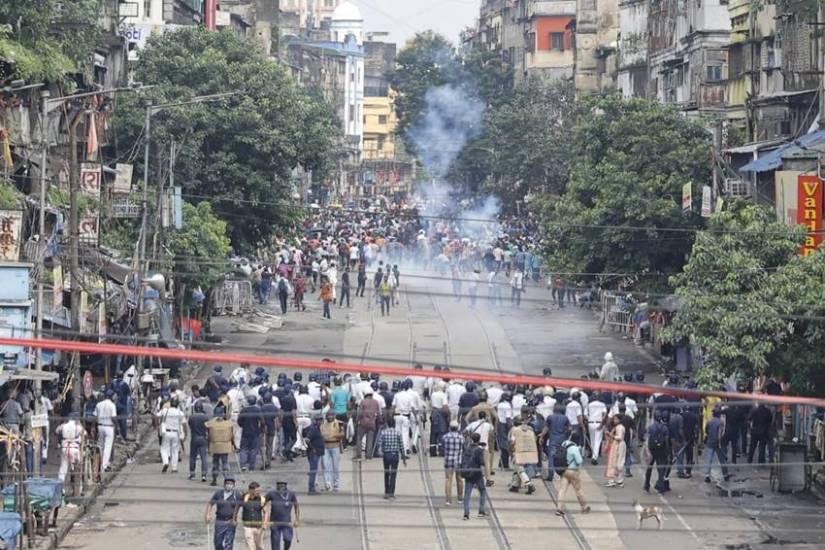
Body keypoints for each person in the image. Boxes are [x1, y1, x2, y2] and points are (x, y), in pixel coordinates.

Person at [554, 436, 590, 516]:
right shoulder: (575, 448)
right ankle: (584, 507)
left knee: (562, 490)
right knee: (578, 489)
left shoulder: (564, 443)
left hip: (564, 470)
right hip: (573, 471)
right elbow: (579, 460)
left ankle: (559, 509)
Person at [205, 476, 241, 550]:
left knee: (228, 544)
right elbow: (210, 504)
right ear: (224, 484)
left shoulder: (237, 495)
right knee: (218, 543)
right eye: (227, 483)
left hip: (231, 521)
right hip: (219, 521)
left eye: (231, 483)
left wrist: (237, 518)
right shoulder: (218, 493)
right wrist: (208, 514)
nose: (229, 485)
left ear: (234, 485)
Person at [264, 481, 300, 550]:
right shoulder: (272, 493)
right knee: (275, 542)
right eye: (279, 484)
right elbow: (262, 502)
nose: (281, 486)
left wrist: (297, 519)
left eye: (282, 484)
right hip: (274, 522)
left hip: (287, 522)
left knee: (288, 539)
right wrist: (265, 514)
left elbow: (296, 506)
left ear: (286, 485)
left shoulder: (291, 494)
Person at [377, 417, 406, 499]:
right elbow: (401, 446)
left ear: (387, 424)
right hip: (395, 455)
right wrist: (403, 458)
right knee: (393, 474)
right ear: (394, 424)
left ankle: (386, 492)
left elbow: (379, 443)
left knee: (386, 473)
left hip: (386, 455)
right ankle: (391, 493)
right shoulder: (398, 433)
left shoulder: (383, 432)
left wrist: (381, 452)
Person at [461, 432, 488, 520]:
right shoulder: (479, 450)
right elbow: (481, 462)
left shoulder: (467, 448)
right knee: (482, 491)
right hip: (477, 473)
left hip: (468, 473)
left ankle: (466, 513)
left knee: (467, 494)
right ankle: (481, 511)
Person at [644, 411, 672, 493]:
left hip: (652, 450)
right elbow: (666, 441)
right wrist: (667, 452)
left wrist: (647, 450)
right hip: (661, 450)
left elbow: (647, 439)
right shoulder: (665, 428)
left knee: (649, 468)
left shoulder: (650, 427)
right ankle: (661, 487)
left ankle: (646, 485)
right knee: (661, 469)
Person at [508, 417, 537, 494]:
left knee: (520, 469)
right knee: (517, 468)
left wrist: (510, 451)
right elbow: (535, 439)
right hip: (529, 451)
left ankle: (529, 484)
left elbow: (512, 442)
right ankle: (515, 486)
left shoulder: (515, 430)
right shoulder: (530, 429)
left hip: (518, 451)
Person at [55, 412, 85, 483]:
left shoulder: (63, 425)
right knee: (77, 467)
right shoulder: (78, 426)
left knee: (63, 469)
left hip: (64, 448)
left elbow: (56, 431)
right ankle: (78, 487)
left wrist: (60, 440)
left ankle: (61, 488)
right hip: (74, 449)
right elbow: (84, 433)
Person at [235, 481, 265, 550]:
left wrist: (265, 523)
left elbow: (266, 512)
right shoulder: (244, 498)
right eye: (257, 490)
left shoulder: (261, 499)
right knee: (251, 547)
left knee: (259, 547)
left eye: (259, 490)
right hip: (247, 526)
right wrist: (234, 518)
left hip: (259, 527)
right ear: (251, 490)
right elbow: (237, 507)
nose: (258, 491)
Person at [544, 403, 570, 481]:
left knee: (551, 457)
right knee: (562, 457)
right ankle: (563, 474)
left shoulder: (550, 417)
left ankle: (550, 475)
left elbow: (546, 428)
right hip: (562, 439)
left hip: (553, 439)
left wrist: (541, 436)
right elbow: (568, 429)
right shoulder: (565, 418)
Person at [704, 406, 731, 483]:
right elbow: (720, 434)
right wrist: (719, 442)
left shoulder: (709, 421)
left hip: (710, 442)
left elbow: (706, 431)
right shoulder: (720, 422)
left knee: (709, 459)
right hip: (718, 443)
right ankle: (725, 475)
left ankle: (707, 476)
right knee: (722, 460)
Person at [206, 414, 234, 486]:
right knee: (225, 463)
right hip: (225, 445)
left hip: (215, 445)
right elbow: (231, 436)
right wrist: (233, 445)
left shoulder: (212, 425)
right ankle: (226, 479)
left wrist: (208, 447)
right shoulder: (228, 424)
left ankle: (214, 479)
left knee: (215, 463)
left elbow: (209, 437)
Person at [441, 421, 465, 505]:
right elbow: (464, 448)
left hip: (448, 461)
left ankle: (448, 499)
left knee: (448, 479)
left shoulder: (445, 437)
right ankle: (460, 498)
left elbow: (442, 448)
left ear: (449, 427)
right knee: (460, 480)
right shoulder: (461, 438)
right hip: (459, 461)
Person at [320, 411, 344, 491]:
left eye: (331, 415)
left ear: (334, 416)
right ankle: (327, 484)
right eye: (328, 415)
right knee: (326, 466)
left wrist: (332, 435)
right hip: (325, 447)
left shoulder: (339, 423)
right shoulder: (323, 424)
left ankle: (336, 484)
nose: (329, 417)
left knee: (335, 466)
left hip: (335, 446)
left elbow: (342, 434)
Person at [95, 390, 117, 472]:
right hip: (109, 427)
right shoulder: (112, 405)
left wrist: (94, 427)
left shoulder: (98, 404)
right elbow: (113, 417)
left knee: (101, 446)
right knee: (108, 446)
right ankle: (104, 466)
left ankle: (100, 464)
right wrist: (116, 426)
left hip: (100, 426)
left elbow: (95, 416)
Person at [238, 395, 263, 472]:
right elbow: (262, 421)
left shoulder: (244, 410)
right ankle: (252, 466)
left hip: (245, 431)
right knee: (253, 449)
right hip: (255, 432)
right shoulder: (257, 410)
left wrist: (242, 425)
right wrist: (261, 429)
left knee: (243, 449)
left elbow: (239, 421)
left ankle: (243, 465)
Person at [354, 390, 380, 460]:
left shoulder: (363, 401)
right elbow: (379, 413)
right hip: (372, 423)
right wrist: (379, 422)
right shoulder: (376, 402)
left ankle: (358, 455)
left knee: (359, 439)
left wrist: (356, 421)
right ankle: (368, 456)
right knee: (370, 440)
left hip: (363, 423)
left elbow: (360, 413)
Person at [188, 401, 209, 481]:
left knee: (193, 457)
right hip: (203, 438)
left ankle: (192, 474)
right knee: (203, 457)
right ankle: (203, 475)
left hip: (194, 437)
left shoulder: (192, 417)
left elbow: (190, 425)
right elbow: (208, 427)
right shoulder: (205, 417)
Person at [304, 415, 325, 494]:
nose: (320, 421)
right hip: (313, 454)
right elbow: (307, 440)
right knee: (313, 471)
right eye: (318, 420)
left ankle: (312, 488)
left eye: (321, 420)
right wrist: (313, 448)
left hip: (317, 453)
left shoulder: (317, 428)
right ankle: (311, 489)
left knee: (314, 471)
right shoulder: (313, 429)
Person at [604, 415, 626, 487]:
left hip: (619, 445)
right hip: (615, 445)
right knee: (614, 462)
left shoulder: (620, 427)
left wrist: (611, 436)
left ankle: (619, 480)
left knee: (619, 463)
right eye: (614, 419)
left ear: (620, 420)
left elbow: (619, 437)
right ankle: (615, 480)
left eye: (616, 419)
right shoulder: (617, 427)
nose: (614, 421)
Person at [587, 392, 607, 465]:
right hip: (598, 422)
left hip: (590, 423)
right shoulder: (602, 404)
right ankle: (594, 457)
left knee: (592, 440)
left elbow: (586, 414)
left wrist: (588, 420)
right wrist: (602, 423)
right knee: (597, 440)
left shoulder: (589, 404)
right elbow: (604, 414)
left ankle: (593, 454)